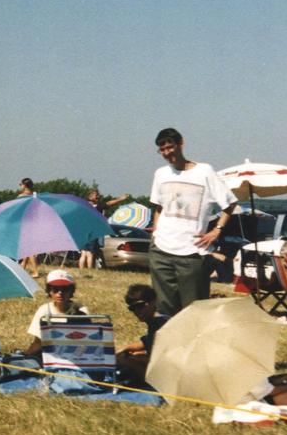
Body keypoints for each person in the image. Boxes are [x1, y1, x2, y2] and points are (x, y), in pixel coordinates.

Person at [147, 128, 236, 315]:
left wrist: (216, 230)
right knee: (164, 308)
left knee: (194, 310)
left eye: (170, 147)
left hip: (192, 252)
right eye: (161, 150)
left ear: (181, 144)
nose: (166, 153)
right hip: (161, 251)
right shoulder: (161, 174)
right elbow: (158, 207)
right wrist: (156, 232)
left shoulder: (204, 172)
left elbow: (230, 204)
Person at [23, 270, 90, 357]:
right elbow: (38, 342)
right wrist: (25, 355)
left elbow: (87, 341)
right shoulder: (44, 310)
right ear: (49, 291)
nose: (60, 293)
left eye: (64, 289)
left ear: (71, 291)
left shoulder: (81, 311)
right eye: (55, 289)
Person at [115, 284, 169, 387]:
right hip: (162, 365)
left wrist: (134, 358)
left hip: (167, 372)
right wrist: (124, 348)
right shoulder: (157, 320)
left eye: (140, 306)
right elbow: (145, 341)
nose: (137, 311)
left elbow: (162, 360)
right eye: (133, 308)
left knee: (124, 361)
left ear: (153, 302)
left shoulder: (160, 324)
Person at [78, 187, 131, 269]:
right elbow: (109, 203)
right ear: (90, 196)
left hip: (83, 231)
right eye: (96, 195)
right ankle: (88, 270)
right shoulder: (97, 207)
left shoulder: (83, 205)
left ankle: (81, 270)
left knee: (83, 253)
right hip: (92, 232)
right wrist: (120, 199)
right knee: (90, 254)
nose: (98, 197)